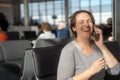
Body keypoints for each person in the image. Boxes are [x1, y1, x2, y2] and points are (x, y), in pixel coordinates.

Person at [57, 10, 120, 80]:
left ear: (93, 26)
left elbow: (116, 71)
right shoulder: (68, 50)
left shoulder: (99, 46)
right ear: (74, 28)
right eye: (81, 22)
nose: (86, 24)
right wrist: (91, 71)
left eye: (89, 21)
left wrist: (102, 46)